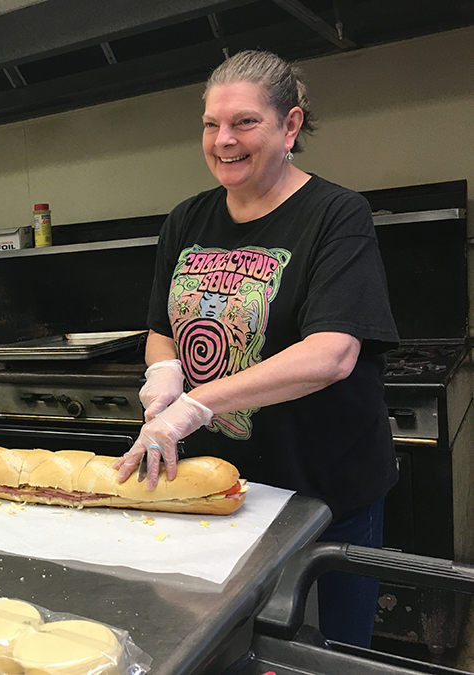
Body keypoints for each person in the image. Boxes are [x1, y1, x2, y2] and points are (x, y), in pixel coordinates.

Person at [114, 50, 399, 648]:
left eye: (245, 122)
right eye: (212, 125)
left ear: (290, 126)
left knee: (327, 653)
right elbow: (161, 325)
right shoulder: (187, 219)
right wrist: (164, 371)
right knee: (232, 646)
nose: (224, 140)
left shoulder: (335, 215)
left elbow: (332, 353)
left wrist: (198, 404)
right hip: (223, 490)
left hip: (323, 494)